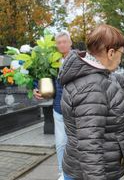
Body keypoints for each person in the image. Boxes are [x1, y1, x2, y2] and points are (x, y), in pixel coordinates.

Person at [59, 24, 124, 180]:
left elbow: (119, 81)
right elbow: (90, 146)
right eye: (122, 53)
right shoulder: (92, 89)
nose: (122, 58)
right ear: (111, 52)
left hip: (92, 166)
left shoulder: (97, 72)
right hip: (88, 173)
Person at [33, 31, 72, 180]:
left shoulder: (79, 59)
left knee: (76, 144)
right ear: (56, 45)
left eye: (64, 41)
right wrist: (35, 87)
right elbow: (41, 77)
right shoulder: (52, 60)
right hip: (58, 109)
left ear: (70, 42)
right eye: (59, 42)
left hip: (76, 110)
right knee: (61, 143)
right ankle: (63, 173)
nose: (62, 44)